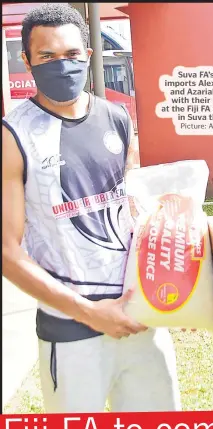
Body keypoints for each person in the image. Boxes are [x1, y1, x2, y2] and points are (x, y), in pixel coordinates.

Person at [2, 3, 181, 413]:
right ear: (27, 60)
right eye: (47, 56)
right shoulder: (14, 136)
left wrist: (176, 293)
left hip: (142, 318)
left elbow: (139, 217)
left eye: (71, 55)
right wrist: (90, 313)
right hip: (71, 330)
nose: (61, 65)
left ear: (89, 55)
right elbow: (8, 254)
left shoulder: (118, 118)